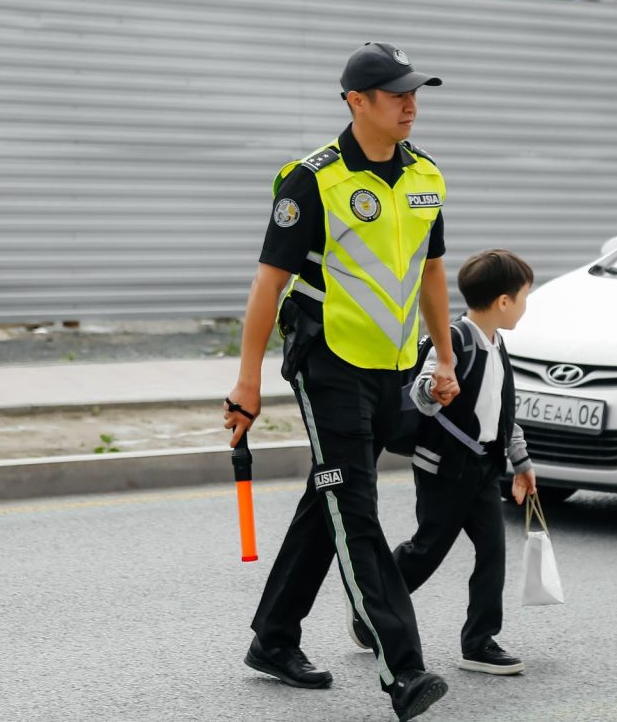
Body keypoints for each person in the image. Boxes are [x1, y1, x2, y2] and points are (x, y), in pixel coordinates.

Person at [223, 41, 459, 722]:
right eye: (395, 93)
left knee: (328, 494)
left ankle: (273, 637)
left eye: (415, 91)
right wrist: (247, 383)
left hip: (395, 365)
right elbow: (268, 284)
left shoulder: (426, 177)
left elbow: (432, 271)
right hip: (329, 363)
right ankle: (403, 668)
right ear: (357, 102)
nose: (410, 103)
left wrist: (442, 358)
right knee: (354, 506)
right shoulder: (312, 181)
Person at [347, 249, 538, 676]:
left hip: (485, 469)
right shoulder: (453, 340)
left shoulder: (497, 344)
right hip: (444, 470)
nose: (526, 307)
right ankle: (370, 608)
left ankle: (479, 642)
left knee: (493, 552)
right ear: (504, 301)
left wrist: (521, 461)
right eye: (524, 298)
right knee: (427, 550)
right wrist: (434, 389)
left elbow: (504, 413)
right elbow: (420, 393)